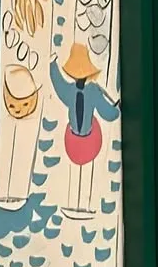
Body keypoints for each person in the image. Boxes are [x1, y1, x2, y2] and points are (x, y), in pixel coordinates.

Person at [50, 43, 120, 215]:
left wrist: (115, 111)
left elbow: (106, 111)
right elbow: (58, 85)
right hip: (74, 139)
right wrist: (52, 65)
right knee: (76, 172)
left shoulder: (89, 91)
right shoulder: (82, 91)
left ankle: (85, 204)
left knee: (85, 172)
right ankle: (75, 202)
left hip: (88, 139)